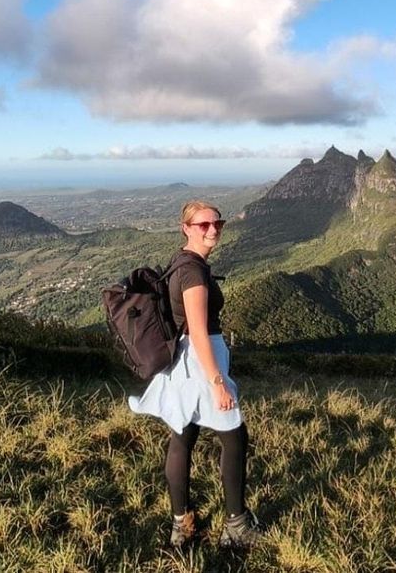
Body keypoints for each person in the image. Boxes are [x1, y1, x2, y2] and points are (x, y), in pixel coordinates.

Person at [128, 200, 261, 549]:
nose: (213, 229)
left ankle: (180, 526)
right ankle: (236, 527)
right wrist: (217, 381)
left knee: (183, 436)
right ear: (186, 228)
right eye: (203, 225)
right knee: (234, 437)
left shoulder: (182, 261)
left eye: (218, 223)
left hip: (184, 364)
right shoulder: (193, 272)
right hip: (201, 363)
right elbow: (199, 331)